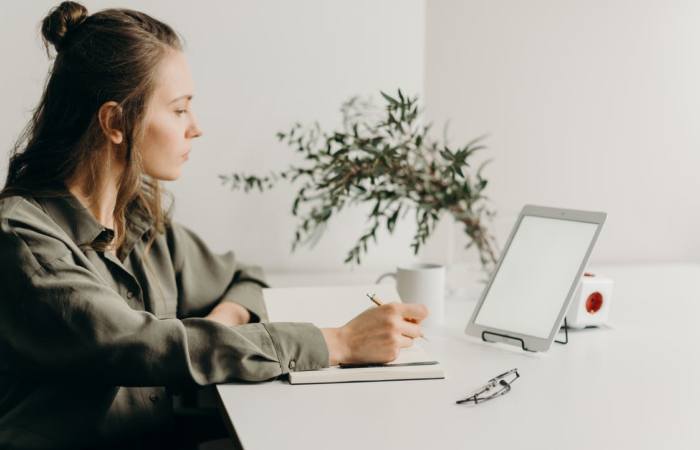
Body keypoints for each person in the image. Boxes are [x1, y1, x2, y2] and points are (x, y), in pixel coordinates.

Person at [0, 2, 429, 449]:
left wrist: (223, 326)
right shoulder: (22, 239)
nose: (197, 127)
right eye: (180, 109)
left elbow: (244, 280)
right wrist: (335, 342)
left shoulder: (139, 222)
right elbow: (141, 344)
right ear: (115, 122)